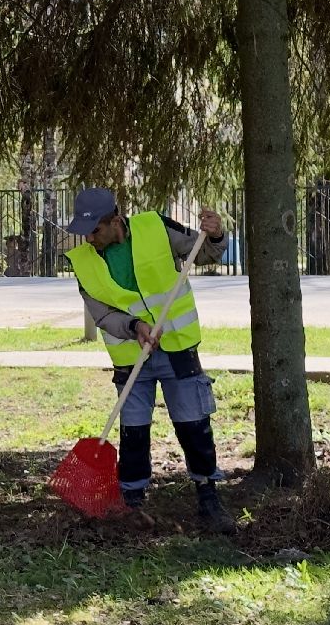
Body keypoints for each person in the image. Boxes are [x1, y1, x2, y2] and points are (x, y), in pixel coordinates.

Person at [63, 187, 236, 533]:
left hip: (177, 349)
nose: (89, 238)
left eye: (95, 230)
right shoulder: (82, 261)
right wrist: (134, 326)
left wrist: (216, 233)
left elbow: (203, 252)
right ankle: (131, 504)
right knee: (134, 432)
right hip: (131, 359)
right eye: (84, 232)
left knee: (193, 425)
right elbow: (101, 315)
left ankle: (208, 497)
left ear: (115, 222)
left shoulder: (154, 227)